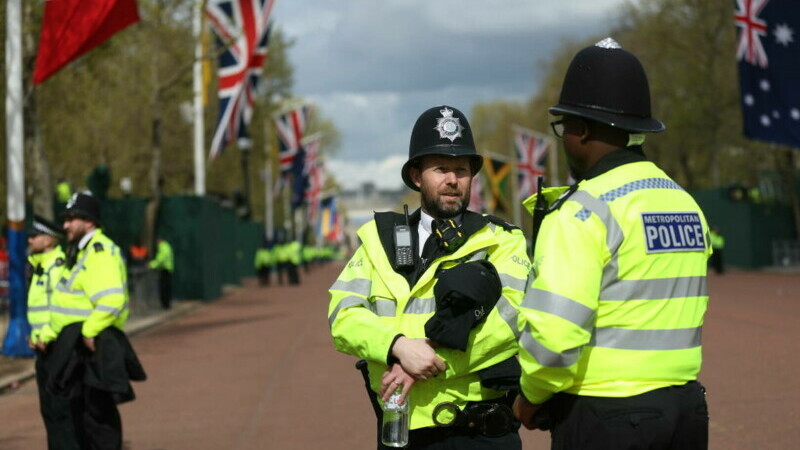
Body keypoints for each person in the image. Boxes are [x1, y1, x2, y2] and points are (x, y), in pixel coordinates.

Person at [513, 38, 711, 450]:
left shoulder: (582, 211)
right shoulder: (684, 201)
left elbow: (555, 336)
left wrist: (530, 398)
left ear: (581, 130)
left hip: (608, 414)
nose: (564, 137)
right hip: (687, 408)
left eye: (564, 127)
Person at [328, 105, 530, 449]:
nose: (453, 179)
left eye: (461, 170)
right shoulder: (378, 241)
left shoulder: (502, 241)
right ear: (417, 176)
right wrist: (399, 347)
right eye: (441, 169)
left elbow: (511, 322)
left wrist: (424, 364)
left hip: (478, 434)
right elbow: (343, 316)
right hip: (400, 430)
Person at [50, 192, 140, 450]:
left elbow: (112, 299)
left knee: (97, 416)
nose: (65, 225)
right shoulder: (83, 251)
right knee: (86, 414)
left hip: (95, 341)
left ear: (88, 221)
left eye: (71, 219)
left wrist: (89, 331)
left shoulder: (99, 252)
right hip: (81, 343)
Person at [26, 215, 81, 449]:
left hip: (57, 346)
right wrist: (35, 336)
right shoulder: (39, 265)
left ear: (48, 240)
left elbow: (61, 308)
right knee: (49, 410)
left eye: (35, 235)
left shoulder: (58, 267)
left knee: (61, 410)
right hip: (42, 347)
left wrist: (46, 336)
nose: (29, 239)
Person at [149, 237, 174, 309]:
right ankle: (167, 304)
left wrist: (152, 265)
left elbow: (161, 258)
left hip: (165, 269)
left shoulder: (163, 247)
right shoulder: (167, 246)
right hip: (168, 269)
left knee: (164, 288)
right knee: (167, 288)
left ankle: (165, 304)